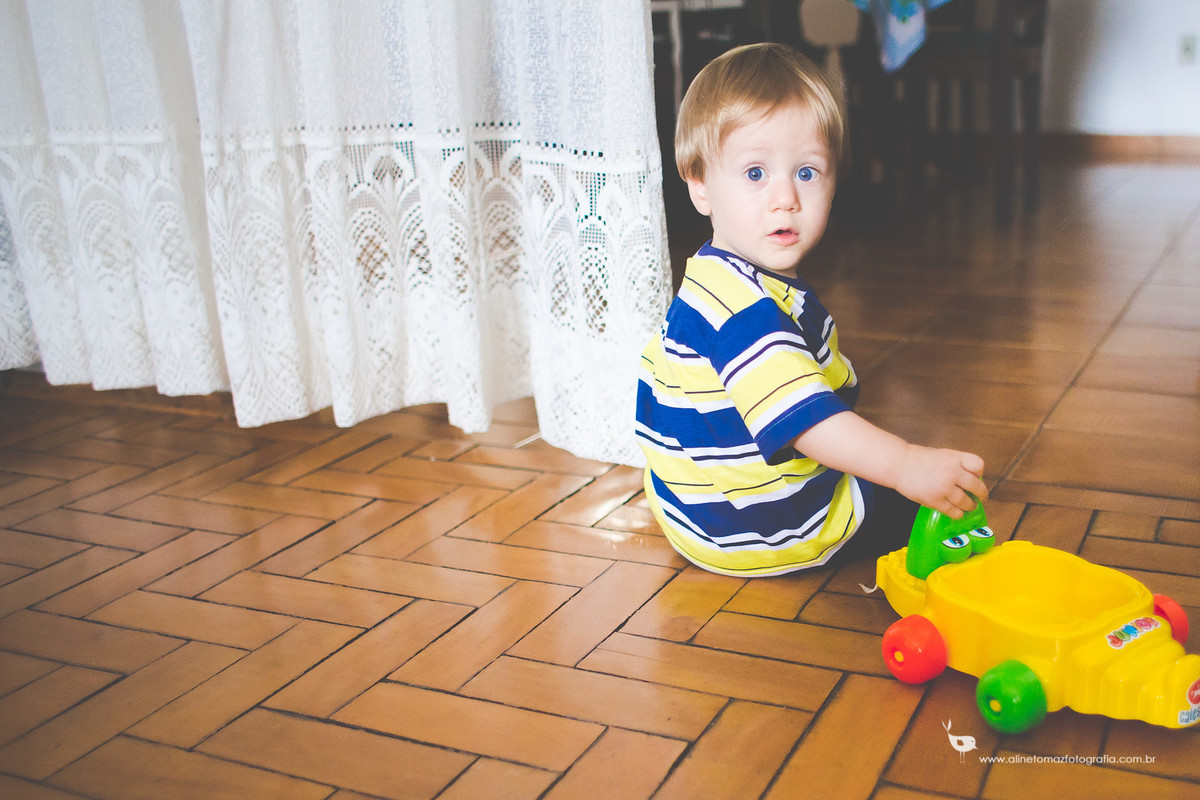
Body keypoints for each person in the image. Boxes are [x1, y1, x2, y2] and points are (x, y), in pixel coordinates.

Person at [635, 42, 987, 577]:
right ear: (700, 185)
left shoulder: (712, 276)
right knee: (920, 500)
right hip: (763, 529)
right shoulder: (747, 314)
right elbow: (806, 423)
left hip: (689, 509)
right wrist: (904, 464)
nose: (785, 199)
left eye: (806, 173)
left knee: (862, 450)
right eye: (755, 173)